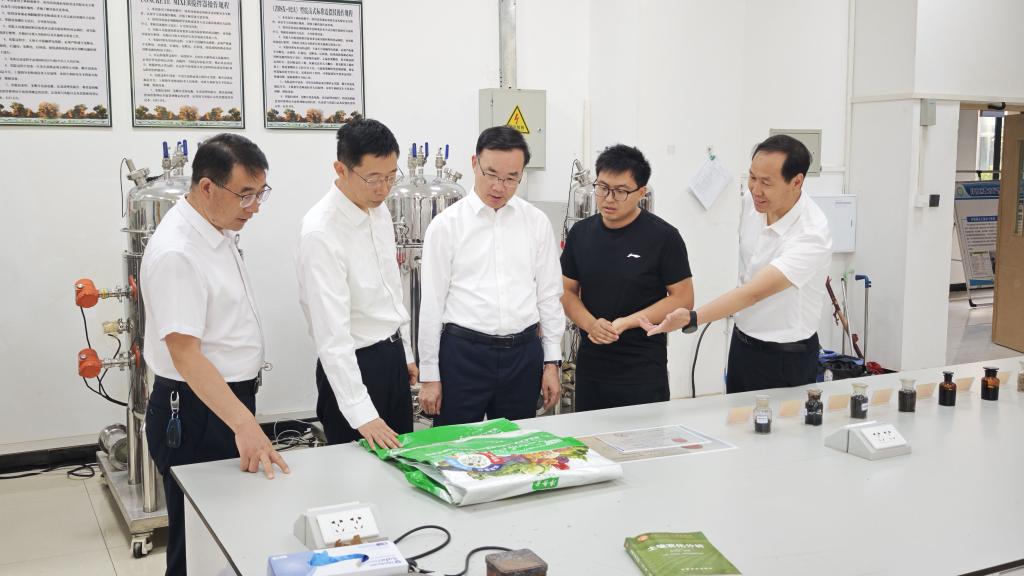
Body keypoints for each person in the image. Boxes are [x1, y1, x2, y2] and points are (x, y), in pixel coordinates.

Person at [141, 133, 289, 576]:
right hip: (195, 412)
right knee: (196, 544)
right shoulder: (179, 252)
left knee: (227, 535)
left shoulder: (216, 231)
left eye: (260, 193)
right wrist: (243, 424)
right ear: (207, 187)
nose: (254, 206)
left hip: (221, 402)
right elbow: (186, 356)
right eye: (245, 194)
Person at [641, 134, 832, 393]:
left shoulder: (811, 234)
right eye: (752, 177)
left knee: (781, 421)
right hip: (743, 344)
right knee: (735, 416)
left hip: (786, 357)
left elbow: (752, 293)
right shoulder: (753, 203)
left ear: (797, 181)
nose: (756, 189)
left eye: (766, 182)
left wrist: (693, 317)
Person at [417, 126, 564, 424]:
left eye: (511, 178)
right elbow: (431, 304)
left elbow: (549, 295)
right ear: (475, 163)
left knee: (516, 445)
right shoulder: (446, 226)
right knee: (456, 445)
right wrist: (430, 375)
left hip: (523, 356)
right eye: (491, 174)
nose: (499, 186)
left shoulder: (536, 222)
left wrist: (552, 362)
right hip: (463, 355)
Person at [296, 118, 417, 449]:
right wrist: (362, 412)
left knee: (402, 463)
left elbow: (392, 289)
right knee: (355, 471)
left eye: (391, 177)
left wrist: (404, 352)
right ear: (341, 169)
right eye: (373, 178)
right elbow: (331, 334)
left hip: (391, 357)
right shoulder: (321, 232)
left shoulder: (379, 211)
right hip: (354, 367)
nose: (383, 189)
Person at [560, 144, 693, 410]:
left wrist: (628, 322)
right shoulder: (580, 234)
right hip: (592, 367)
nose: (609, 198)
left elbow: (683, 299)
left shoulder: (663, 237)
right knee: (589, 434)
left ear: (641, 193)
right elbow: (566, 291)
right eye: (602, 188)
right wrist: (590, 324)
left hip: (642, 369)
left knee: (643, 435)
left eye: (621, 191)